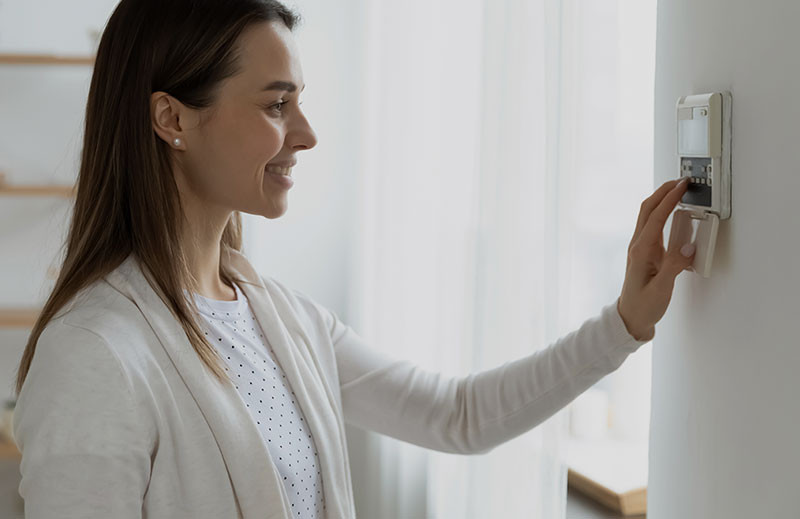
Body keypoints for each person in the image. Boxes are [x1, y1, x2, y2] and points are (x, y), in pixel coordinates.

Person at [11, 0, 696, 517]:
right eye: (277, 105)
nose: (306, 134)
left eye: (299, 103)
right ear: (172, 119)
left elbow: (459, 414)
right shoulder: (94, 354)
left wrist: (624, 323)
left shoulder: (279, 318)